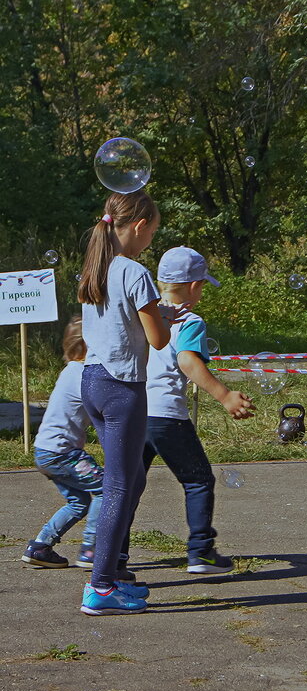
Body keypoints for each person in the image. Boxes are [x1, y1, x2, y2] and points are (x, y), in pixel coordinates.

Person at [78, 190, 182, 616]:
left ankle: (113, 568)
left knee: (132, 476)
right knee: (121, 484)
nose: (151, 240)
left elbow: (121, 323)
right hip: (123, 388)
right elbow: (156, 341)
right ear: (138, 227)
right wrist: (166, 321)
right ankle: (100, 587)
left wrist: (159, 315)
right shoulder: (136, 272)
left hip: (92, 380)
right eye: (152, 232)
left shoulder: (95, 267)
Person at [140, 246, 255, 573]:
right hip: (166, 415)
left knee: (129, 485)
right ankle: (201, 552)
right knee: (199, 480)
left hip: (135, 413)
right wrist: (225, 396)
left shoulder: (144, 314)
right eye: (202, 285)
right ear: (193, 286)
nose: (202, 291)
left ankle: (112, 554)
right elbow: (187, 360)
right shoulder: (190, 321)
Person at [22, 317, 104, 569]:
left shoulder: (70, 371)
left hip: (46, 452)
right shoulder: (83, 374)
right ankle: (91, 550)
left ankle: (40, 546)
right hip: (63, 453)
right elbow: (101, 411)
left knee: (79, 501)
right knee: (106, 488)